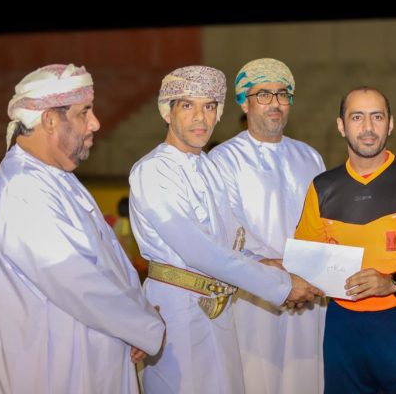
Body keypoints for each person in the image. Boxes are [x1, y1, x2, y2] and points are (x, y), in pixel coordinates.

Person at [129, 65, 323, 394]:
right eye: (187, 105)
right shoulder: (153, 170)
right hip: (175, 312)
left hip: (218, 309)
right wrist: (281, 286)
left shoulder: (208, 167)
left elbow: (232, 242)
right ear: (167, 112)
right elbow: (200, 252)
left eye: (209, 106)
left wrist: (273, 265)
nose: (200, 117)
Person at [0, 64, 165, 394]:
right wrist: (144, 326)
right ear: (50, 119)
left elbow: (105, 265)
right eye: (84, 112)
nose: (95, 123)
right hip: (53, 369)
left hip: (87, 357)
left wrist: (137, 315)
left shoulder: (56, 179)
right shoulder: (20, 189)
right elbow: (77, 280)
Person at [295, 86, 396, 394]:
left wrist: (393, 282)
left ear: (390, 124)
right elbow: (306, 260)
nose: (368, 127)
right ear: (341, 125)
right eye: (357, 117)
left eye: (377, 117)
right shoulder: (322, 187)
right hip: (343, 327)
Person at [209, 58, 326, 394]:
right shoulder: (223, 160)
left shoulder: (310, 157)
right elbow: (228, 235)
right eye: (263, 95)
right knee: (257, 379)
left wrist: (308, 277)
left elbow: (323, 227)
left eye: (282, 94)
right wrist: (280, 279)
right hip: (253, 299)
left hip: (308, 296)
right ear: (244, 103)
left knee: (307, 378)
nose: (275, 103)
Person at [113, 196, 148, 279]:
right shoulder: (125, 222)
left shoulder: (119, 221)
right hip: (126, 258)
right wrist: (133, 257)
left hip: (120, 257)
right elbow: (122, 240)